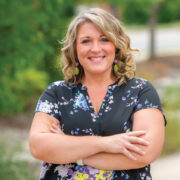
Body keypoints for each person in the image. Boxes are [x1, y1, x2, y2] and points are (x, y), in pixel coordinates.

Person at [29, 8, 166, 180]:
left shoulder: (140, 91)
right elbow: (38, 147)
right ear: (75, 49)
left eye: (104, 39)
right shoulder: (56, 93)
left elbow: (144, 153)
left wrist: (73, 154)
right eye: (86, 41)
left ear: (115, 46)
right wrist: (107, 144)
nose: (95, 48)